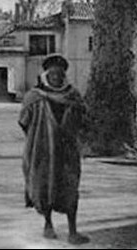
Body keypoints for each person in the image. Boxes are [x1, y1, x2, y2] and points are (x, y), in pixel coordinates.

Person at [19, 54, 89, 245]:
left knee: (70, 188)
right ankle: (48, 224)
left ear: (64, 75)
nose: (56, 77)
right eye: (53, 74)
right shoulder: (33, 97)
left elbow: (84, 119)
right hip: (42, 150)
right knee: (44, 185)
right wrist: (38, 137)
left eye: (60, 74)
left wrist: (75, 117)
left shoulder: (73, 95)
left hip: (67, 151)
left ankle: (73, 231)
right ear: (46, 75)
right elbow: (24, 121)